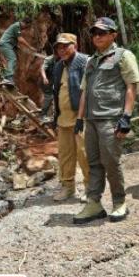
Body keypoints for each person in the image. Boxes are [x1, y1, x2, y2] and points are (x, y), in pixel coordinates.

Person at [73, 17, 139, 224]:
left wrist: (126, 117)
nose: (97, 36)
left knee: (111, 162)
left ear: (113, 35)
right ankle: (94, 203)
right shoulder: (91, 61)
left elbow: (131, 86)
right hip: (92, 120)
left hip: (111, 118)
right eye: (94, 33)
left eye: (102, 33)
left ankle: (119, 202)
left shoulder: (123, 56)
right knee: (93, 163)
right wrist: (79, 118)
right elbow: (84, 90)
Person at [49, 33, 90, 202]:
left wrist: (84, 116)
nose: (62, 49)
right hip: (63, 118)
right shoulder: (58, 66)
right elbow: (56, 92)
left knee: (84, 153)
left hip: (82, 117)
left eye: (66, 46)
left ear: (75, 45)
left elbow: (88, 91)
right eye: (59, 47)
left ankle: (91, 187)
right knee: (65, 155)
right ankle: (68, 187)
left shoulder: (85, 63)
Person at [0, 17, 33, 87]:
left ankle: (6, 76)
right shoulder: (17, 26)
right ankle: (8, 78)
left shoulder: (17, 27)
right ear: (24, 23)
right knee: (12, 59)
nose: (26, 28)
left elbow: (13, 37)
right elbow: (20, 39)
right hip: (4, 44)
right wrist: (30, 47)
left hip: (7, 44)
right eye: (27, 26)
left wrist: (15, 46)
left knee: (13, 60)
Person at [40, 54, 56, 121]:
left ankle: (55, 116)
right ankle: (43, 115)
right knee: (48, 98)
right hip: (47, 82)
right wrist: (44, 78)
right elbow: (42, 68)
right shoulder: (49, 59)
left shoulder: (63, 58)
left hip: (56, 81)